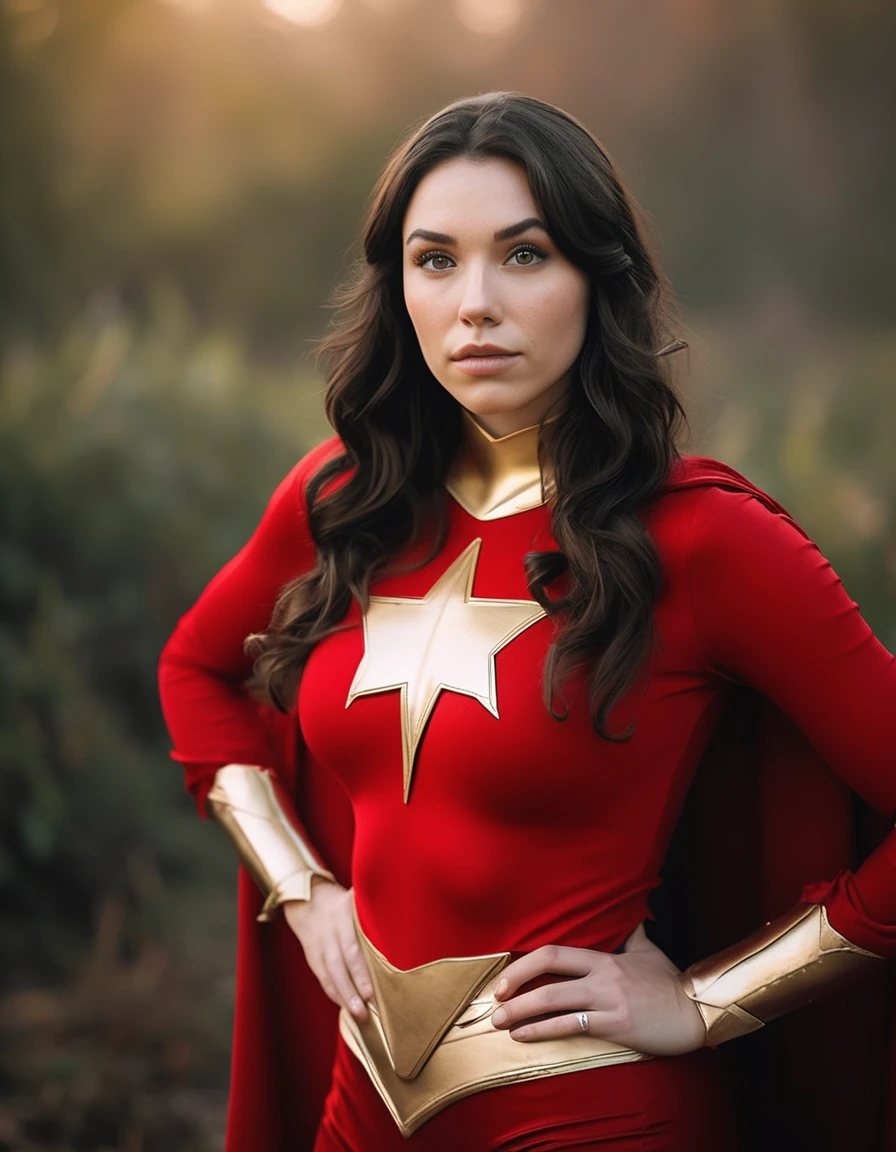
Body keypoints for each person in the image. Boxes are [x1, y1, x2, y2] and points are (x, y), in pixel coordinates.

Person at [157, 92, 896, 1152]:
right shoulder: (345, 500)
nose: (473, 306)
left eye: (523, 254)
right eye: (434, 260)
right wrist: (304, 887)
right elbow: (195, 670)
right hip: (357, 1104)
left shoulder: (703, 543)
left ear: (599, 277)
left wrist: (707, 1000)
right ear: (397, 286)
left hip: (587, 1115)